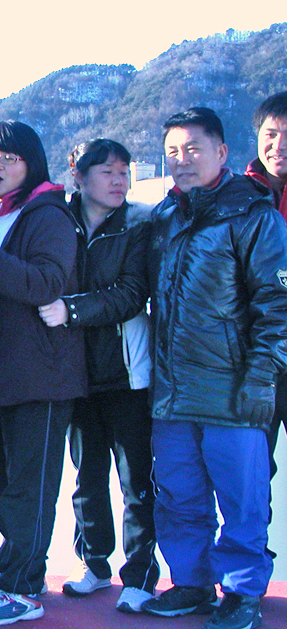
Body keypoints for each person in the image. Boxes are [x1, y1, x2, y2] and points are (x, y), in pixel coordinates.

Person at [139, 107, 287, 629]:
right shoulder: (164, 216)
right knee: (179, 494)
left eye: (194, 149)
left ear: (222, 153)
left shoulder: (254, 215)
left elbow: (277, 304)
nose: (182, 161)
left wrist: (262, 377)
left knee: (242, 501)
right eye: (173, 152)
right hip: (173, 391)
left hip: (233, 389)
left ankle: (243, 593)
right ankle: (191, 583)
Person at [0, 120, 85, 625]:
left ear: (31, 164)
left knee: (30, 487)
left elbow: (49, 282)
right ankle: (14, 566)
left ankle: (25, 588)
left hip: (42, 375)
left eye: (10, 158)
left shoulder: (48, 215)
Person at [38, 139, 159, 613]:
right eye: (107, 172)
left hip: (127, 371)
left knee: (136, 479)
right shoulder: (58, 221)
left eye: (124, 172)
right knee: (86, 476)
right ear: (78, 177)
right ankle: (94, 562)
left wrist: (71, 309)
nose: (119, 181)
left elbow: (131, 293)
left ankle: (141, 573)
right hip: (75, 372)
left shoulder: (139, 226)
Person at [245, 91, 287, 479]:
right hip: (254, 354)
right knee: (256, 463)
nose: (280, 146)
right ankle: (257, 541)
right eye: (272, 134)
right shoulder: (237, 197)